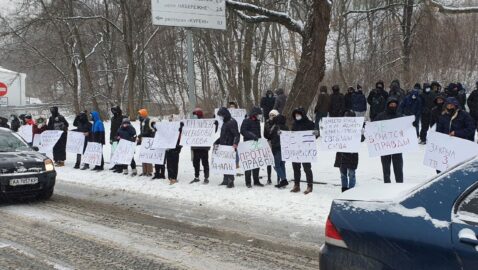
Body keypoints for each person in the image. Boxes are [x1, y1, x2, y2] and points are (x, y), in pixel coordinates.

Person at [374, 98, 404, 183]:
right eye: (391, 104)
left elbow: (405, 128)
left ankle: (399, 183)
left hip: (397, 146)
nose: (393, 106)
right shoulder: (381, 116)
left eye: (394, 104)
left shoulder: (399, 116)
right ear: (387, 105)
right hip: (385, 146)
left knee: (398, 166)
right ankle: (387, 183)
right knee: (386, 167)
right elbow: (374, 127)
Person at [290, 107, 318, 194]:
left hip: (306, 150)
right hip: (296, 150)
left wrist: (316, 133)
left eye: (298, 115)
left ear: (302, 115)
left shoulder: (309, 123)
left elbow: (314, 135)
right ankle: (296, 185)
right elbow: (291, 135)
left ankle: (309, 186)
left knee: (307, 168)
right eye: (296, 115)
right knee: (296, 168)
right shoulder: (294, 124)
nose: (297, 116)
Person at [334, 110, 362, 192]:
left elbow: (362, 139)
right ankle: (344, 190)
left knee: (351, 174)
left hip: (352, 155)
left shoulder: (357, 127)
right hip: (341, 154)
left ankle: (352, 191)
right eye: (346, 118)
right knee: (343, 174)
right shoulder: (339, 126)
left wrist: (362, 133)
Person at [214, 107, 240, 188]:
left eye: (221, 115)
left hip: (230, 146)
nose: (220, 117)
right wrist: (217, 141)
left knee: (229, 164)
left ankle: (230, 181)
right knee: (224, 163)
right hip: (223, 145)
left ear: (225, 115)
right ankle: (225, 179)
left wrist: (235, 143)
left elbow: (236, 134)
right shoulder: (225, 122)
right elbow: (223, 135)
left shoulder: (231, 122)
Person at [241, 107, 264, 188]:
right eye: (258, 114)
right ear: (254, 114)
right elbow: (243, 131)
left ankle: (256, 180)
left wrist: (260, 141)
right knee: (248, 164)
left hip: (256, 145)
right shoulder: (246, 120)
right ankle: (248, 182)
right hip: (248, 145)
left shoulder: (257, 122)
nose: (259, 116)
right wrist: (252, 136)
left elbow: (259, 133)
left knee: (256, 163)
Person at [190, 108, 213, 184]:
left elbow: (210, 132)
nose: (194, 116)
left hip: (203, 148)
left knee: (205, 163)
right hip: (195, 147)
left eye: (195, 115)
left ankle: (206, 177)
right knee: (196, 163)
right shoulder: (192, 123)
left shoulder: (205, 123)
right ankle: (196, 177)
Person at [268, 113, 289, 188]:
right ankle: (284, 180)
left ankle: (283, 180)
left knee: (276, 165)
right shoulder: (286, 127)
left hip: (277, 148)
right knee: (282, 164)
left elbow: (269, 135)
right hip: (284, 148)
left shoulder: (275, 127)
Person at [264, 109, 280, 185]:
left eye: (273, 115)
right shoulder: (267, 122)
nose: (271, 116)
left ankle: (279, 178)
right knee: (269, 161)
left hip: (277, 143)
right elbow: (265, 134)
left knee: (277, 161)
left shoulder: (279, 123)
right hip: (269, 142)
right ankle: (269, 178)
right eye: (270, 115)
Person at [138, 109, 154, 177]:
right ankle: (144, 171)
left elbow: (149, 131)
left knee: (148, 155)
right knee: (143, 155)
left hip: (147, 139)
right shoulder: (142, 121)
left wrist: (141, 135)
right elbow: (142, 130)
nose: (139, 115)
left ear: (144, 114)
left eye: (140, 114)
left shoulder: (148, 120)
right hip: (143, 139)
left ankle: (149, 171)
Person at [166, 118, 183, 185]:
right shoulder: (167, 130)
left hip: (175, 149)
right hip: (168, 148)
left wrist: (178, 148)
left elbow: (181, 139)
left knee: (174, 164)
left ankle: (174, 178)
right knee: (169, 163)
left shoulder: (179, 130)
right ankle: (170, 176)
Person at [109, 106, 124, 171]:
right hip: (113, 136)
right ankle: (115, 165)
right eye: (112, 111)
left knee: (120, 152)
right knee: (114, 152)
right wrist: (110, 138)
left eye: (115, 111)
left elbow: (124, 127)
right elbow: (111, 129)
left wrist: (121, 136)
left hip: (120, 137)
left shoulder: (122, 117)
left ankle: (120, 166)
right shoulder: (112, 118)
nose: (113, 112)